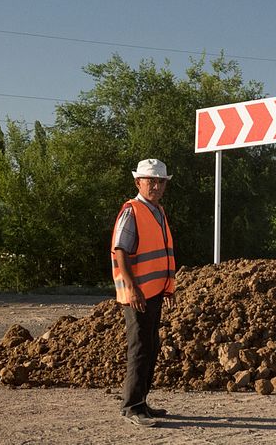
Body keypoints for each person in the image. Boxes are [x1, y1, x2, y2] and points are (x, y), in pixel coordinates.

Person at [111, 158, 177, 426]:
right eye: (152, 181)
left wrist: (168, 288)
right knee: (139, 348)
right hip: (137, 295)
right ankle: (132, 407)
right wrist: (132, 288)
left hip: (155, 292)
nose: (157, 186)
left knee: (151, 346)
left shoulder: (158, 211)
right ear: (139, 182)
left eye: (161, 182)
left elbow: (162, 254)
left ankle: (141, 402)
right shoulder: (132, 211)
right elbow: (120, 251)